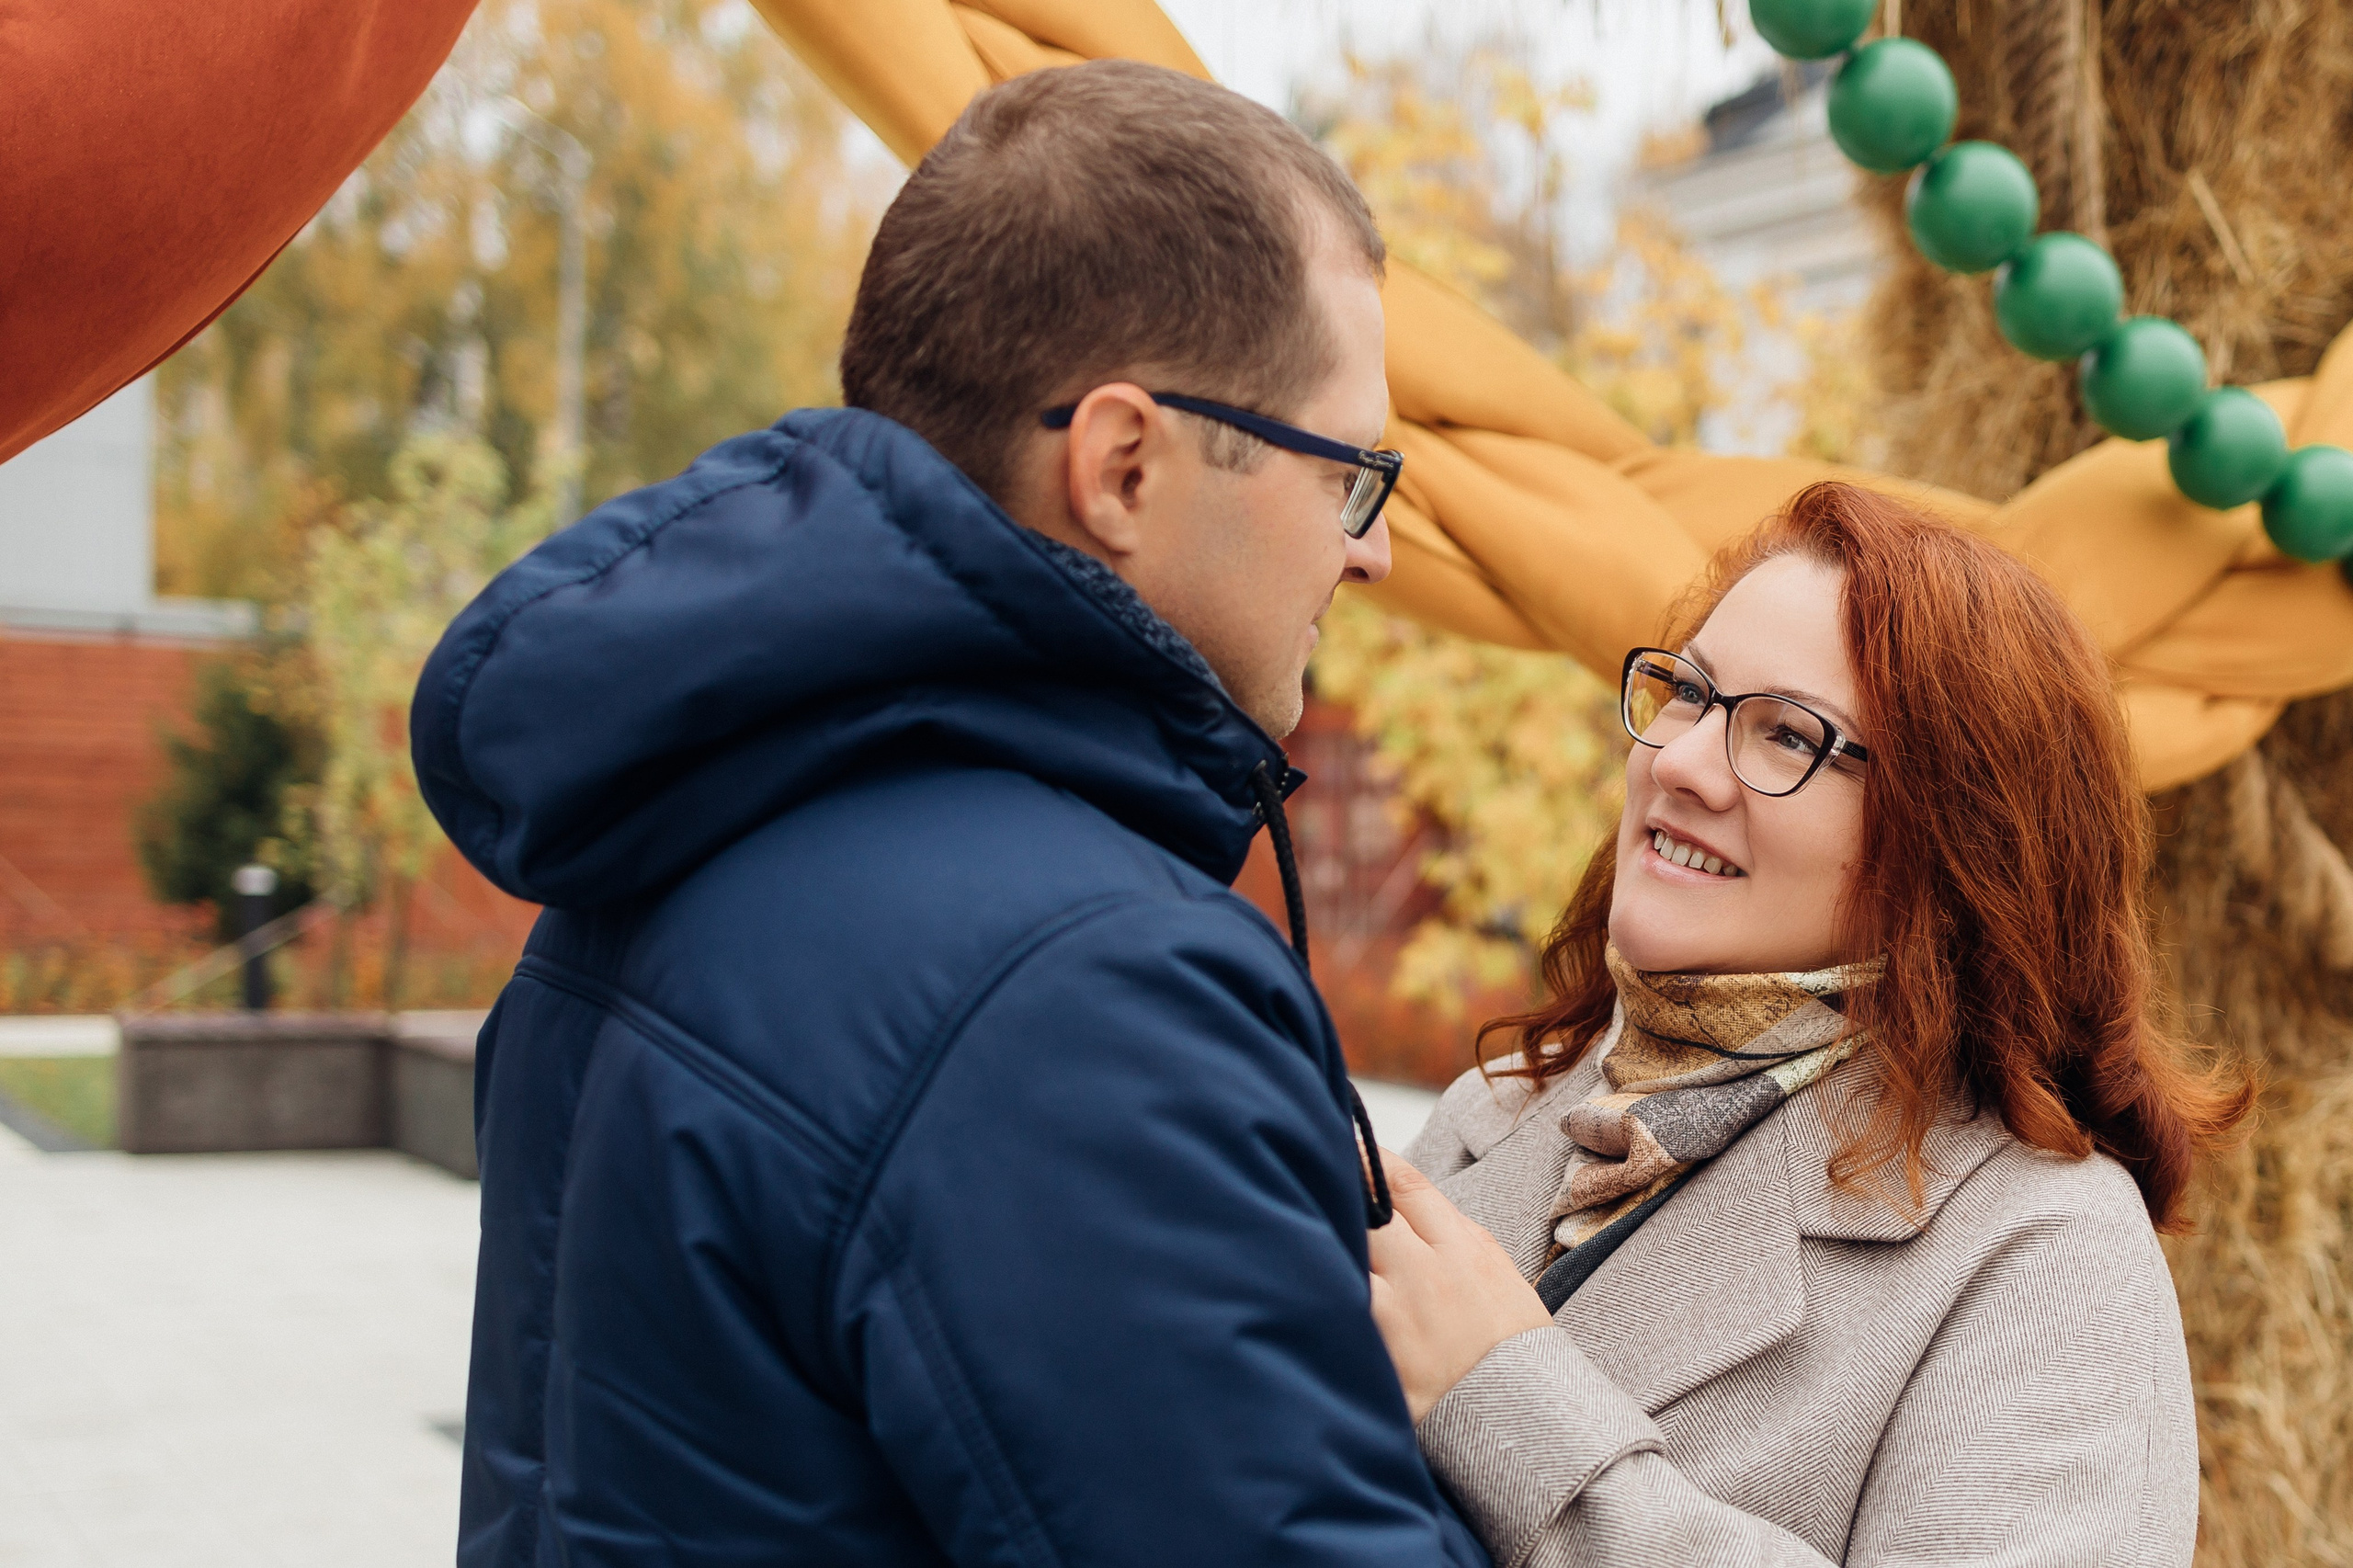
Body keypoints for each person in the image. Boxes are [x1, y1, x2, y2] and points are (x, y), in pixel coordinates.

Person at [414, 57, 1489, 1568]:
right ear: (1124, 464)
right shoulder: (1081, 995)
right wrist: (1521, 1410)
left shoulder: (686, 825)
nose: (1369, 553)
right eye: (1350, 473)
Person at [1363, 482, 2249, 1567]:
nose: (1679, 761)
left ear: (1950, 839)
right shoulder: (1495, 1111)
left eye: (1787, 734)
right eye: (1687, 691)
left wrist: (1507, 1401)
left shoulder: (2044, 1253)